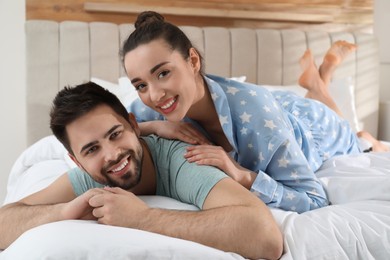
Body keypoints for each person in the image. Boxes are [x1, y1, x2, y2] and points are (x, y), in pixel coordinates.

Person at [121, 11, 373, 213]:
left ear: (193, 61)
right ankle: (319, 82)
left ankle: (320, 84)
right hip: (276, 108)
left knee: (362, 140)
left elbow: (314, 199)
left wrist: (243, 176)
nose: (154, 95)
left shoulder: (260, 121)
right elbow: (118, 128)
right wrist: (157, 126)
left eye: (163, 73)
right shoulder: (151, 108)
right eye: (141, 85)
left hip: (315, 128)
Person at [0, 82, 283, 259]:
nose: (112, 155)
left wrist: (143, 218)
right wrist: (62, 212)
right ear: (77, 162)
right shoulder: (85, 178)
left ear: (135, 126)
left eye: (115, 134)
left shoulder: (183, 159)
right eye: (91, 150)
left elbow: (267, 238)